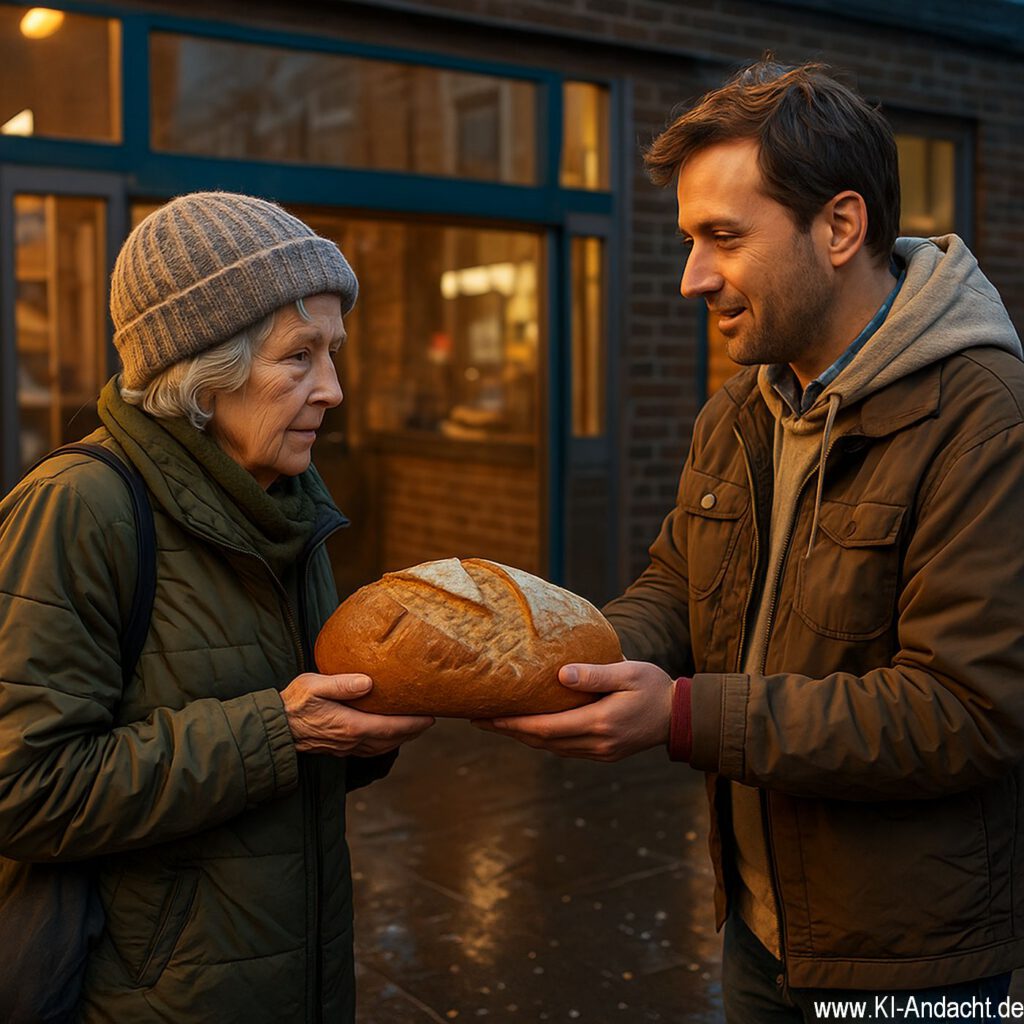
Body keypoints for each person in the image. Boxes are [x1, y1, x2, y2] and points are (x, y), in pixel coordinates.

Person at [477, 59, 1024, 1019]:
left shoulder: (985, 423)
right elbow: (676, 587)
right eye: (690, 239)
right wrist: (570, 659)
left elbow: (968, 713)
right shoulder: (741, 410)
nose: (693, 278)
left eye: (723, 237)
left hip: (913, 961)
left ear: (841, 227)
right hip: (760, 929)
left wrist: (682, 715)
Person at [0, 192, 435, 1022]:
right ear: (204, 369)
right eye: (297, 357)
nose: (333, 390)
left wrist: (370, 724)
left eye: (334, 352)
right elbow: (24, 788)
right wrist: (283, 727)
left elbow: (300, 754)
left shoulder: (285, 500)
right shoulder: (78, 507)